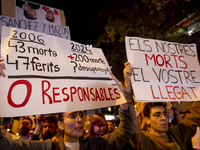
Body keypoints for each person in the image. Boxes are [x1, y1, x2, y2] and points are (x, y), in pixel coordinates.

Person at [0, 58, 134, 150]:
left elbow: (125, 132)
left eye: (81, 115)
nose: (79, 119)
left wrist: (124, 95)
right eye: (72, 116)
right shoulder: (45, 147)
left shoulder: (96, 145)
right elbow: (4, 144)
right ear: (60, 124)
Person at [123, 61, 200, 150]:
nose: (163, 118)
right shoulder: (143, 139)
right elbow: (130, 117)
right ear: (147, 120)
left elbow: (196, 115)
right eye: (157, 114)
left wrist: (197, 80)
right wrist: (127, 83)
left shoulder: (177, 133)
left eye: (165, 114)